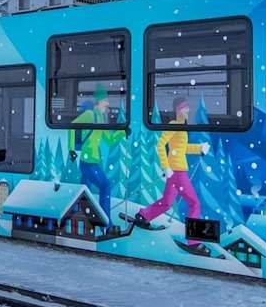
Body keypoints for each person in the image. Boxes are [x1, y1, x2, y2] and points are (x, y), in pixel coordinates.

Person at [134, 95, 209, 228]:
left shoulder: (181, 127)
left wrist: (199, 148)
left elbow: (181, 148)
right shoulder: (174, 125)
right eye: (185, 108)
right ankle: (192, 241)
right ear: (178, 110)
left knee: (167, 202)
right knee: (194, 203)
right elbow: (161, 144)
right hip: (178, 172)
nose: (188, 110)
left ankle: (143, 216)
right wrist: (165, 167)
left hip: (175, 171)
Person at [68, 83, 126, 222]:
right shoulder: (89, 115)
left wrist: (123, 132)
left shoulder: (101, 118)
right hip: (88, 162)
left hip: (92, 160)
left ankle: (73, 218)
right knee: (105, 185)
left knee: (83, 192)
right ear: (99, 101)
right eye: (106, 100)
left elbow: (110, 140)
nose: (107, 103)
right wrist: (71, 149)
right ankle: (105, 221)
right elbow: (71, 126)